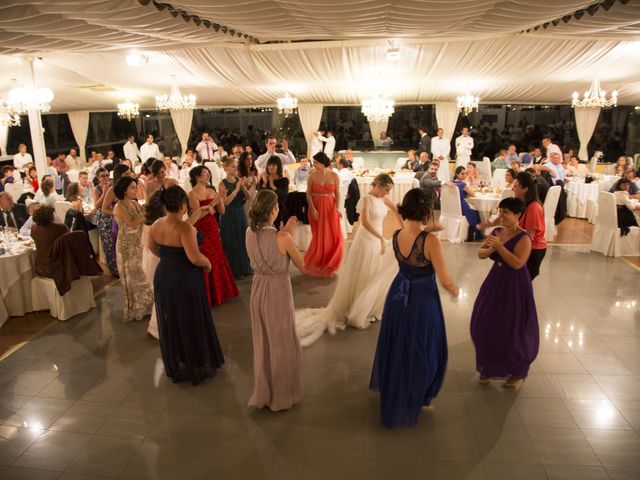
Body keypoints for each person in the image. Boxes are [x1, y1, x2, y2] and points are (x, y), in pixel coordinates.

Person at [369, 188, 459, 428]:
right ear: (428, 212)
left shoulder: (397, 234)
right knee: (424, 346)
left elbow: (414, 237)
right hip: (422, 299)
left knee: (399, 343)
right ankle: (418, 394)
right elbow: (445, 278)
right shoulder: (431, 242)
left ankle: (396, 385)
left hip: (398, 294)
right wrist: (455, 289)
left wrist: (429, 230)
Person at [296, 174, 403, 345]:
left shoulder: (384, 199)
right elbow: (365, 222)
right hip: (367, 239)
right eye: (386, 189)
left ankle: (368, 306)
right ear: (378, 185)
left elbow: (397, 210)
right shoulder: (367, 199)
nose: (387, 193)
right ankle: (355, 308)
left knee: (373, 272)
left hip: (378, 239)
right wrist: (380, 238)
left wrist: (403, 225)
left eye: (389, 191)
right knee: (362, 273)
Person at [149, 185, 225, 385]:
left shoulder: (157, 224)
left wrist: (169, 258)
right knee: (192, 318)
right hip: (184, 279)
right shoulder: (186, 228)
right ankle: (197, 359)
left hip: (164, 275)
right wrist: (208, 264)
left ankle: (181, 356)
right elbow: (194, 257)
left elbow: (151, 247)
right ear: (183, 206)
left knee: (174, 319)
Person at [246, 189, 305, 411]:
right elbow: (303, 265)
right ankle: (282, 394)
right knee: (281, 342)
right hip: (278, 290)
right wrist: (290, 233)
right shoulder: (284, 237)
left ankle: (265, 390)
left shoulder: (248, 233)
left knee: (263, 341)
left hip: (258, 287)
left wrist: (285, 233)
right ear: (274, 210)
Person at [470, 197, 539, 388]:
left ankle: (515, 372)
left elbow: (518, 263)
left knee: (511, 327)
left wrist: (499, 247)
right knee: (483, 322)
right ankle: (487, 366)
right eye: (500, 211)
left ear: (517, 215)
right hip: (496, 280)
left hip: (515, 285)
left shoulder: (524, 238)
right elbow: (481, 253)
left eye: (506, 212)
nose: (501, 216)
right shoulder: (497, 231)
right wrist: (490, 248)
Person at [479, 172, 547, 280]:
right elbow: (507, 217)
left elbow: (529, 235)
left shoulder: (534, 207)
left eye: (515, 187)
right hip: (519, 244)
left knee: (521, 281)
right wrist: (492, 225)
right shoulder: (521, 203)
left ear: (525, 189)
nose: (512, 189)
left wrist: (503, 244)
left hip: (533, 249)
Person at [189, 165, 240, 306]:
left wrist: (221, 199)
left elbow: (221, 211)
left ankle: (221, 292)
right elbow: (197, 215)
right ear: (197, 177)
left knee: (218, 256)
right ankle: (208, 296)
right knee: (205, 256)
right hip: (201, 228)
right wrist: (214, 202)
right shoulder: (192, 194)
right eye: (205, 173)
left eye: (208, 173)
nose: (208, 176)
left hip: (212, 226)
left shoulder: (211, 190)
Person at [113, 176, 153, 321]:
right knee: (132, 278)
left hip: (138, 243)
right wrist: (144, 214)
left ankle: (147, 307)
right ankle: (136, 310)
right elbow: (133, 224)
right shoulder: (119, 207)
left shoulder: (135, 204)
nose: (136, 190)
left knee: (143, 274)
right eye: (132, 188)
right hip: (127, 246)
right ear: (124, 190)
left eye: (136, 187)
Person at [304, 152, 344, 277]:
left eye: (316, 162)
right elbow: (308, 194)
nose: (314, 165)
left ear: (322, 162)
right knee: (319, 235)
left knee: (332, 234)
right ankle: (318, 261)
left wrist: (337, 208)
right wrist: (312, 208)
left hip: (330, 207)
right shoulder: (312, 175)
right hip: (316, 207)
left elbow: (337, 193)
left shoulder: (334, 175)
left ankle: (329, 261)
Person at [218, 157, 252, 279]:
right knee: (231, 242)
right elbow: (225, 202)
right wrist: (237, 189)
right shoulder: (222, 183)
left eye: (236, 166)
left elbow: (248, 197)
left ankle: (244, 268)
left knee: (242, 241)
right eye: (232, 166)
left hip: (240, 214)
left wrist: (243, 187)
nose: (235, 169)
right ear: (225, 168)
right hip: (228, 215)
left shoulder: (238, 180)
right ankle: (233, 270)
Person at [142, 190, 165, 339]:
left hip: (149, 259)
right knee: (162, 295)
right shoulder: (157, 225)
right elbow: (153, 247)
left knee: (160, 295)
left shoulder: (150, 222)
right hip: (155, 260)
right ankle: (158, 329)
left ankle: (156, 327)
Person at [30, 205, 69, 277]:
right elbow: (68, 243)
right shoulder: (60, 227)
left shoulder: (33, 228)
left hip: (39, 267)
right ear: (51, 216)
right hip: (57, 267)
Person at [449, 166, 483, 241]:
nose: (464, 175)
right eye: (462, 174)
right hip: (461, 206)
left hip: (453, 206)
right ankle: (478, 235)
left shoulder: (451, 183)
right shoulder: (462, 185)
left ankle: (473, 234)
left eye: (465, 174)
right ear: (457, 174)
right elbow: (473, 194)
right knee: (476, 212)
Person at [257, 155, 289, 227]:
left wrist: (272, 186)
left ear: (278, 167)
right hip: (265, 212)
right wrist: (265, 184)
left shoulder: (284, 180)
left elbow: (284, 195)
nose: (270, 167)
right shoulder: (264, 179)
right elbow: (259, 196)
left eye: (273, 165)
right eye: (269, 165)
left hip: (279, 211)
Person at [238, 151, 258, 218]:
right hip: (245, 198)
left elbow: (257, 186)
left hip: (254, 197)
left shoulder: (255, 171)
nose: (249, 161)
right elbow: (243, 188)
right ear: (243, 161)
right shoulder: (240, 173)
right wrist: (252, 182)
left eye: (250, 159)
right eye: (247, 159)